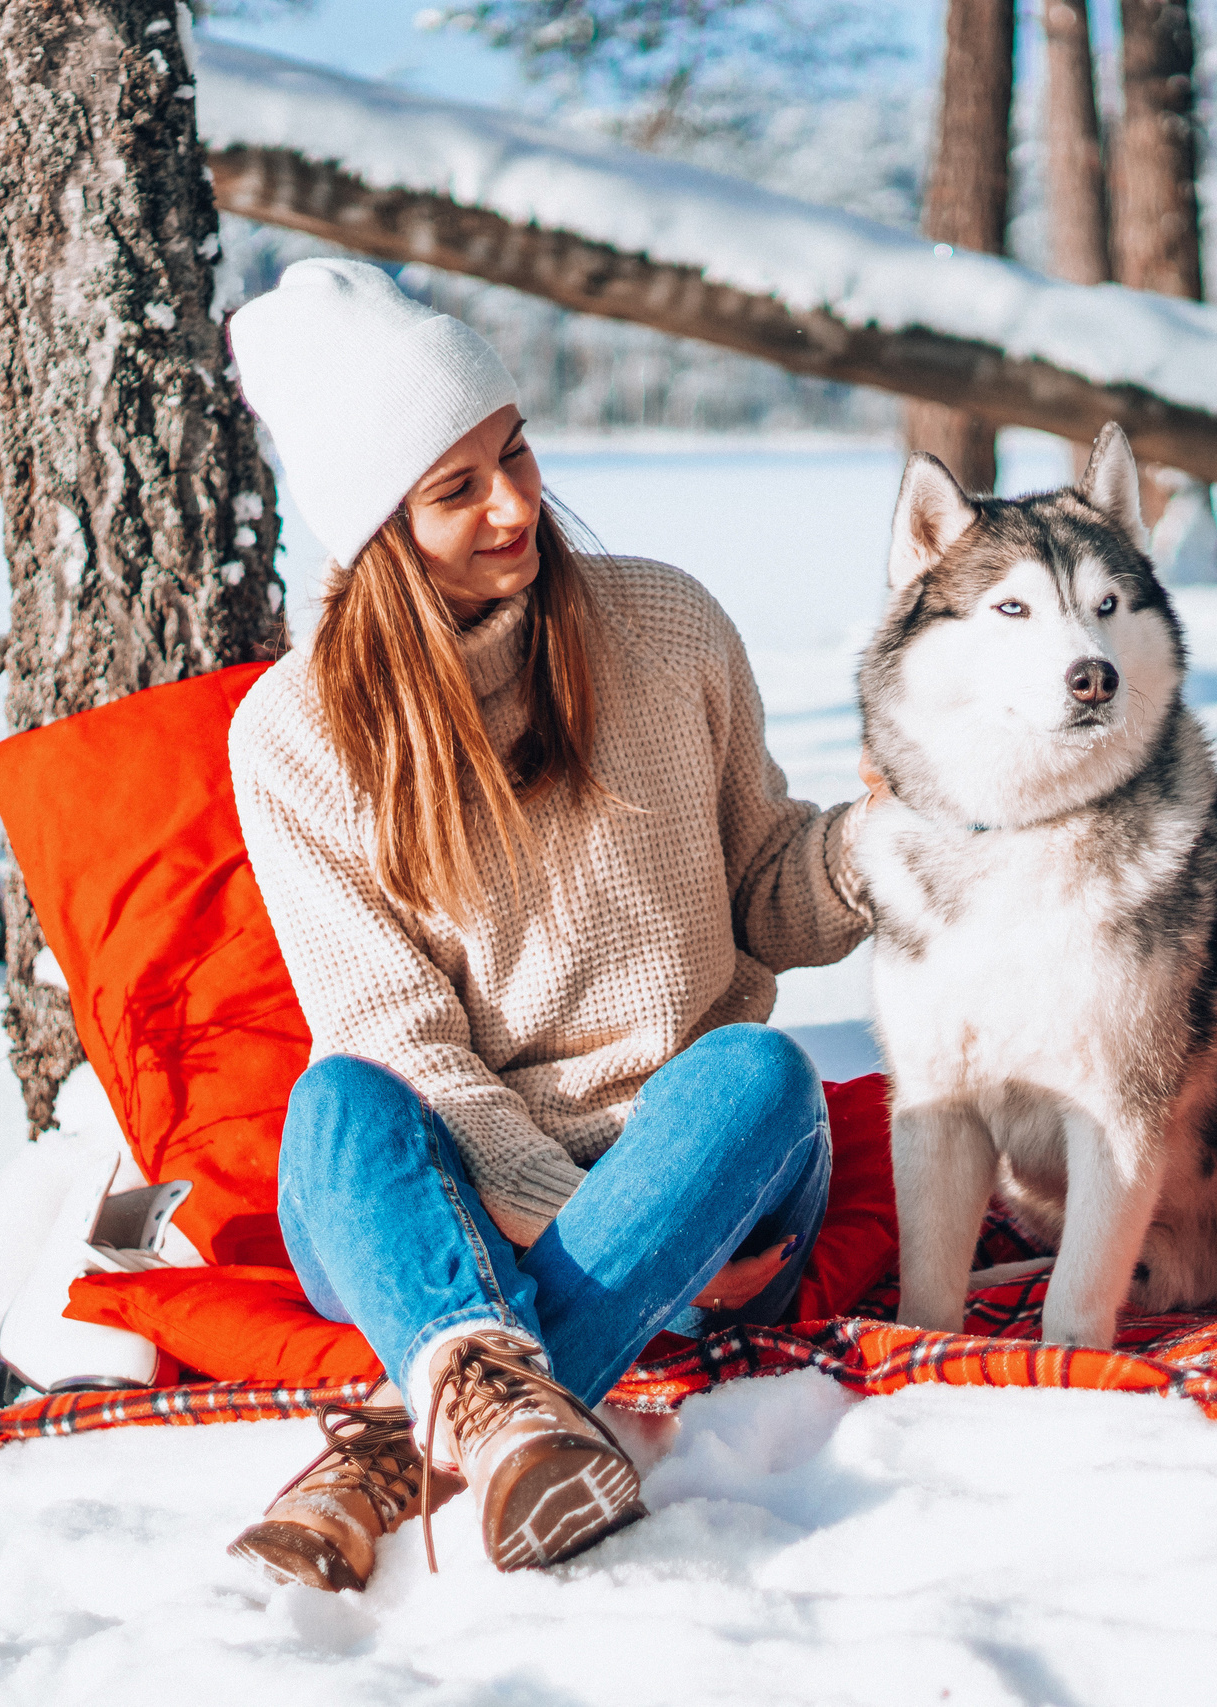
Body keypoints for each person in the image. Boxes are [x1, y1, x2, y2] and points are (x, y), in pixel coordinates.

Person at [217, 260, 872, 1592]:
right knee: (341, 1098)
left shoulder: (664, 625)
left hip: (691, 1164)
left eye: (513, 451)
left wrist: (886, 841)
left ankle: (402, 1444)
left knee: (757, 1072)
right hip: (452, 1204)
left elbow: (766, 885)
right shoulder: (296, 734)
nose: (516, 505)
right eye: (456, 489)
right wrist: (576, 1224)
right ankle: (502, 1402)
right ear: (376, 526)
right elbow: (396, 1037)